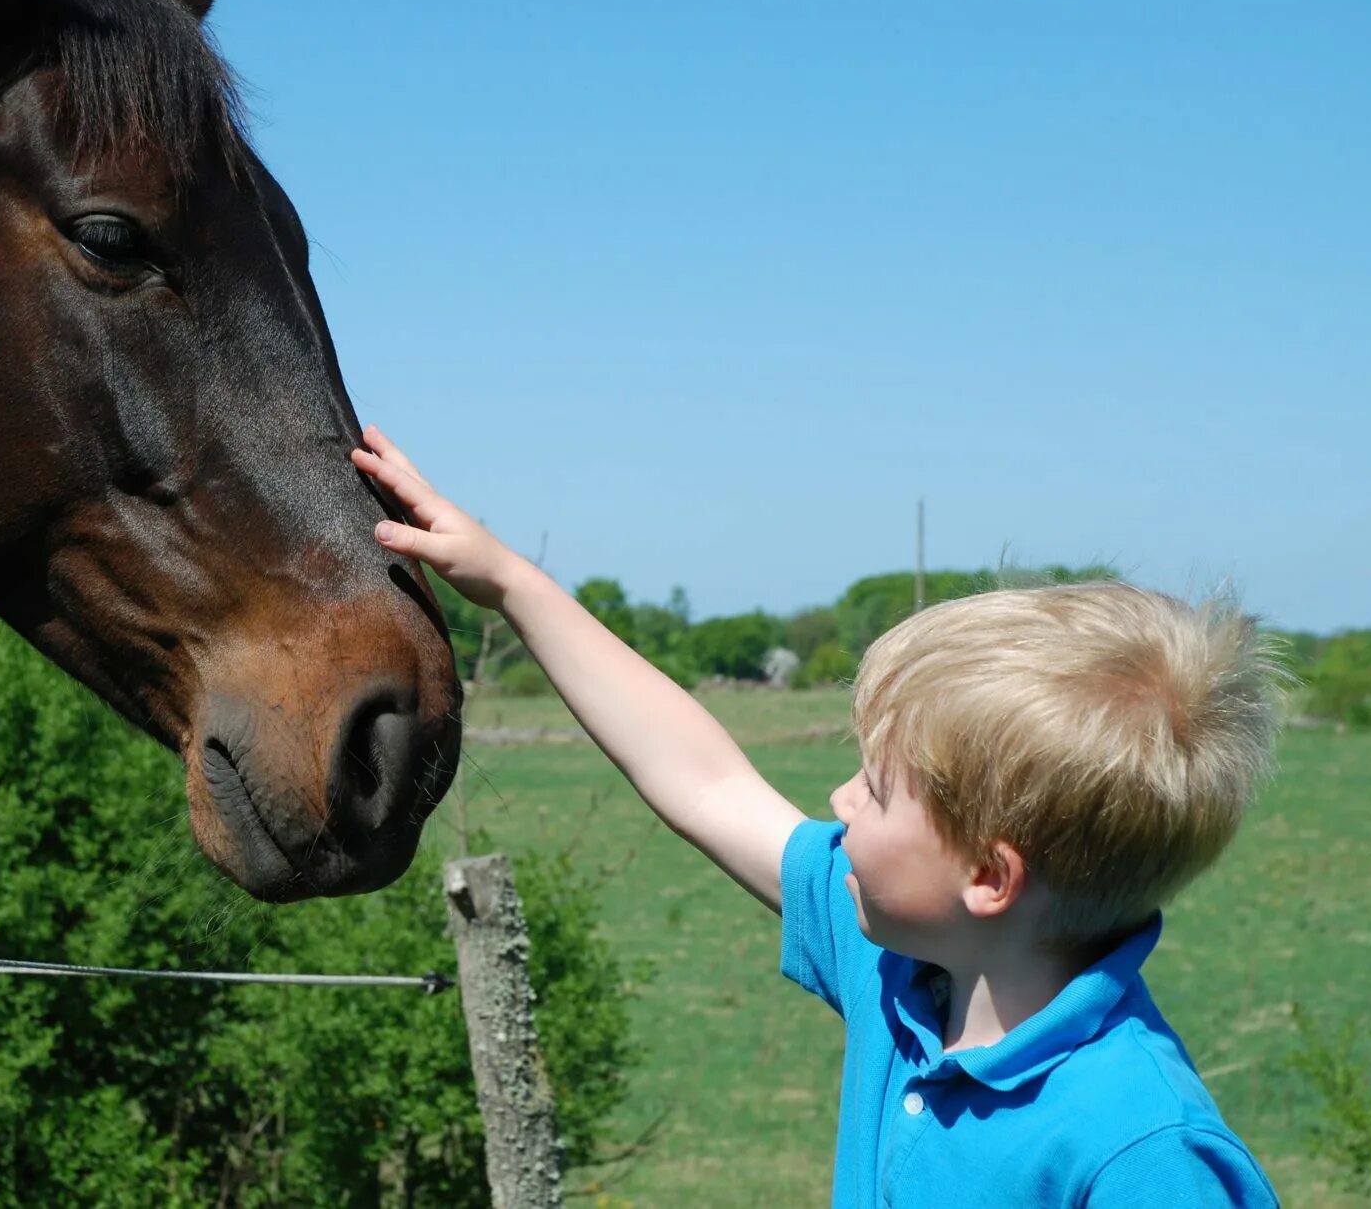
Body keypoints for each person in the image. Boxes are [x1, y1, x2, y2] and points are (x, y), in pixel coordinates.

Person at [351, 425, 1284, 1208]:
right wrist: (512, 581)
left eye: (876, 790)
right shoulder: (913, 969)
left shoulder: (1144, 1152)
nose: (840, 801)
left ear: (989, 878)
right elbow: (706, 782)